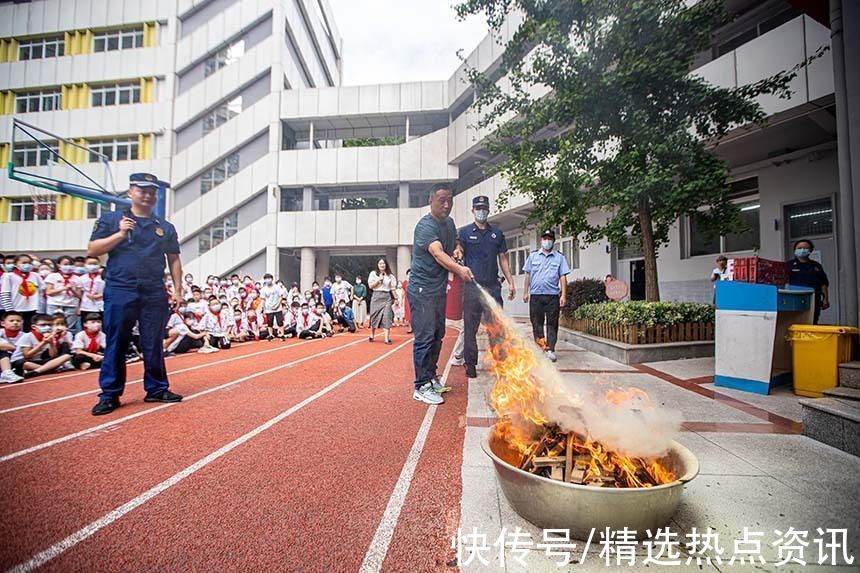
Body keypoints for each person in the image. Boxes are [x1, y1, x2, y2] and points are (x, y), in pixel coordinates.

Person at [88, 172, 184, 416]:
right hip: (121, 288)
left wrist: (178, 290)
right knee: (117, 341)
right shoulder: (111, 220)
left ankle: (156, 388)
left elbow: (174, 260)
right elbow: (92, 250)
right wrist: (120, 234)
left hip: (153, 290)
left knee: (153, 342)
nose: (148, 195)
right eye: (142, 190)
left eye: (152, 191)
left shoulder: (164, 227)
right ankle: (109, 394)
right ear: (130, 192)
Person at [408, 183, 474, 405]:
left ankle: (431, 377)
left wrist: (457, 249)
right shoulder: (425, 227)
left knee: (438, 334)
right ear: (431, 201)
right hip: (422, 289)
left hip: (437, 289)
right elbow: (437, 253)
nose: (446, 205)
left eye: (450, 200)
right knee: (425, 336)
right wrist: (460, 269)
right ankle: (421, 385)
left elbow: (453, 241)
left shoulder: (449, 223)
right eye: (441, 200)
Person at [456, 196, 516, 378]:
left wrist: (511, 282)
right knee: (470, 328)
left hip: (492, 287)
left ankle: (499, 362)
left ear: (488, 210)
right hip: (472, 287)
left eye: (484, 208)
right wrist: (458, 252)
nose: (481, 211)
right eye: (478, 208)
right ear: (473, 210)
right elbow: (459, 249)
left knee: (497, 327)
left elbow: (503, 259)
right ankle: (471, 364)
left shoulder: (497, 233)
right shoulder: (465, 232)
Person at [522, 229, 570, 363]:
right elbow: (528, 275)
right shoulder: (533, 256)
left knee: (552, 324)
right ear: (541, 240)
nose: (547, 241)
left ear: (553, 241)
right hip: (536, 296)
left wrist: (563, 295)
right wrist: (525, 292)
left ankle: (550, 349)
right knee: (536, 323)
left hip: (552, 296)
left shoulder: (560, 257)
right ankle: (540, 347)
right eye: (544, 238)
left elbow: (563, 277)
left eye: (549, 238)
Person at [11, 313, 73, 377]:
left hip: (38, 361)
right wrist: (43, 343)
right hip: (22, 361)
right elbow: (27, 355)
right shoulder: (27, 336)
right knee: (25, 364)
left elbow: (53, 355)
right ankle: (48, 369)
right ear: (34, 327)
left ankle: (37, 371)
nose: (47, 327)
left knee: (66, 356)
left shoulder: (49, 335)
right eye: (43, 325)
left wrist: (51, 343)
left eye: (50, 325)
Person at [788, 239, 830, 324]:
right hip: (795, 299)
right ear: (795, 250)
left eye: (805, 248)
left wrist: (826, 299)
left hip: (814, 300)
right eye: (799, 248)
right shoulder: (789, 265)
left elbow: (823, 284)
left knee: (812, 321)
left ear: (810, 250)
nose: (802, 250)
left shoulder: (816, 266)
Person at [1, 253, 42, 330]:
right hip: (16, 308)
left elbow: (41, 291)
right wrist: (10, 310)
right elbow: (5, 294)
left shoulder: (35, 275)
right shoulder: (9, 276)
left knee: (29, 330)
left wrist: (40, 307)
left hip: (33, 308)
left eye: (29, 263)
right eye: (24, 263)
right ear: (16, 264)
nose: (27, 265)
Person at [43, 255, 81, 333]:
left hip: (71, 305)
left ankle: (67, 342)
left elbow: (79, 296)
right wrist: (63, 288)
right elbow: (49, 292)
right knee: (51, 326)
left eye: (71, 264)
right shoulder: (52, 276)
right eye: (65, 264)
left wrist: (72, 290)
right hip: (54, 304)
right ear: (59, 265)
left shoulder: (77, 278)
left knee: (70, 328)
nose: (68, 266)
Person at [368, 258, 397, 345]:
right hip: (376, 296)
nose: (382, 265)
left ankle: (386, 339)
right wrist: (378, 280)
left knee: (387, 317)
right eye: (380, 263)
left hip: (386, 297)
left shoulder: (390, 276)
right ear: (377, 265)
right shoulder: (373, 274)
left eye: (383, 263)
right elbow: (370, 286)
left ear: (386, 265)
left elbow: (393, 289)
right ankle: (372, 335)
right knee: (374, 316)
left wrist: (396, 298)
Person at [75, 255, 105, 322]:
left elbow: (109, 291)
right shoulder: (82, 278)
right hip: (86, 306)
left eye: (95, 264)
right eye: (90, 264)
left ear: (99, 265)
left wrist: (98, 295)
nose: (92, 266)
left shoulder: (103, 277)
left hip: (101, 305)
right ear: (85, 265)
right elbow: (79, 294)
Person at [0, 310, 25, 383]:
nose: (15, 322)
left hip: (14, 359)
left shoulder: (24, 335)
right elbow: (6, 347)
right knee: (2, 350)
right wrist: (14, 347)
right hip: (4, 357)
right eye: (11, 321)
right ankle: (6, 373)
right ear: (3, 323)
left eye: (18, 321)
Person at [260, 273, 287, 340]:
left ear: (272, 279)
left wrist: (277, 304)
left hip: (277, 307)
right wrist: (264, 309)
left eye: (269, 278)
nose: (267, 280)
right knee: (269, 322)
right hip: (269, 308)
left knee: (280, 321)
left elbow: (281, 296)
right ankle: (271, 335)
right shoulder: (263, 289)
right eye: (266, 279)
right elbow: (263, 299)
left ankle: (282, 334)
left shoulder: (277, 287)